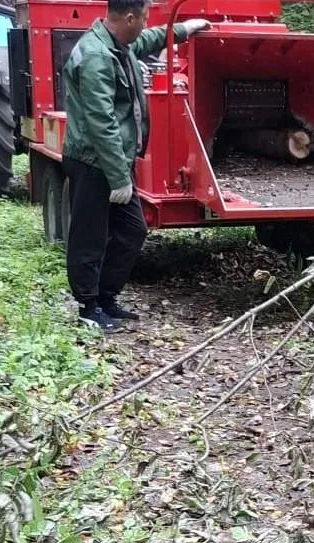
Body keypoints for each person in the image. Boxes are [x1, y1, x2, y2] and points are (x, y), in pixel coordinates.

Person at [61, 0, 209, 331]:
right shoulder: (97, 57)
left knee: (132, 230)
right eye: (143, 18)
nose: (144, 24)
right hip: (92, 161)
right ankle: (88, 308)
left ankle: (106, 299)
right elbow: (102, 123)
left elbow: (148, 40)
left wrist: (185, 29)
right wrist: (118, 178)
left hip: (113, 161)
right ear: (129, 17)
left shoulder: (119, 43)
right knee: (90, 235)